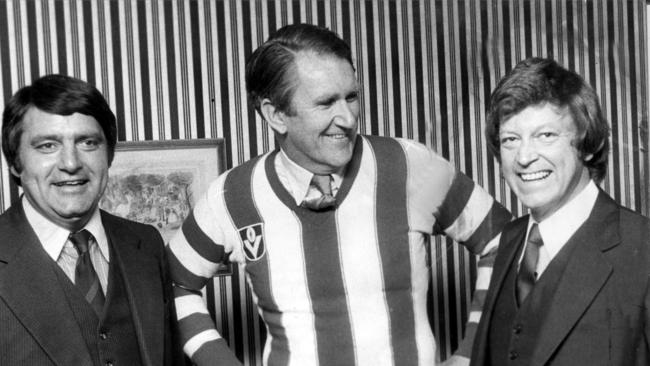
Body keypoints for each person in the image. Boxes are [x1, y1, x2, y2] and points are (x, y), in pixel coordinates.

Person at [168, 23, 511, 366]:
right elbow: (174, 285)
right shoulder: (233, 196)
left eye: (351, 96)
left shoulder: (408, 166)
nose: (347, 118)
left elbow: (504, 240)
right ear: (276, 115)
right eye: (326, 102)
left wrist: (470, 353)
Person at [470, 57, 650, 365]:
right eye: (511, 140)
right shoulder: (509, 241)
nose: (524, 157)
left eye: (546, 135)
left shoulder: (643, 247)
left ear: (589, 143)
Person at [0, 74, 185, 366]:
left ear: (109, 154)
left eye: (88, 142)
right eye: (48, 145)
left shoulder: (146, 244)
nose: (71, 164)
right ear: (15, 162)